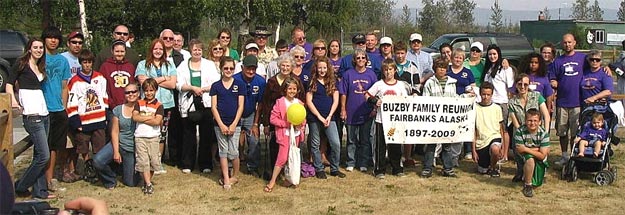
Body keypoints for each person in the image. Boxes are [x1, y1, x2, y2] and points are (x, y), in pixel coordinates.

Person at [8, 38, 54, 199]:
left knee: (38, 155)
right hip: (31, 115)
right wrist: (13, 101)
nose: (39, 50)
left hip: (44, 113)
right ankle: (20, 185)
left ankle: (40, 192)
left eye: (41, 47)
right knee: (44, 156)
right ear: (29, 49)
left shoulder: (39, 66)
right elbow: (9, 83)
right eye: (35, 47)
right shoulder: (22, 64)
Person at [421, 57, 472, 178]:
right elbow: (425, 100)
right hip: (433, 119)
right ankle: (427, 168)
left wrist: (466, 97)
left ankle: (447, 168)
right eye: (439, 68)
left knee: (447, 145)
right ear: (435, 69)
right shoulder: (429, 82)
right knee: (431, 144)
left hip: (447, 120)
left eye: (444, 68)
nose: (442, 70)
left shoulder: (452, 82)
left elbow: (454, 99)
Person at [176, 39, 221, 173]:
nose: (197, 52)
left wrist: (203, 89)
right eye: (195, 49)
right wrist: (192, 88)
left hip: (206, 102)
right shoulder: (183, 66)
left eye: (199, 49)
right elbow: (178, 84)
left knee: (206, 134)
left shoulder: (210, 65)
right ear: (190, 50)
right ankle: (187, 164)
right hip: (189, 103)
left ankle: (205, 164)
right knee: (189, 134)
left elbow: (216, 82)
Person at [135, 39, 178, 174]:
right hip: (148, 105)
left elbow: (173, 84)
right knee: (148, 131)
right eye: (155, 49)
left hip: (167, 104)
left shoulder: (169, 64)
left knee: (162, 133)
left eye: (160, 49)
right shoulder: (143, 64)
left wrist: (153, 81)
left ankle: (157, 162)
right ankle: (146, 160)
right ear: (151, 50)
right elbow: (144, 83)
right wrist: (164, 78)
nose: (158, 51)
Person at [259, 54, 305, 172]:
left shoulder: (296, 81)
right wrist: (266, 124)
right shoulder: (271, 81)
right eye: (283, 65)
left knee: (292, 147)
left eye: (288, 66)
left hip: (293, 120)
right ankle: (276, 171)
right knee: (275, 146)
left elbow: (302, 101)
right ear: (279, 66)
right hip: (276, 119)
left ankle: (290, 171)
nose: (285, 68)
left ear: (292, 66)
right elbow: (266, 102)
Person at [366, 59, 410, 179]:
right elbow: (367, 95)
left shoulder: (400, 85)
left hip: (396, 120)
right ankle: (379, 170)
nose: (388, 72)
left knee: (395, 145)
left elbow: (406, 100)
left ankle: (397, 168)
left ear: (395, 70)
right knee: (380, 146)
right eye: (386, 70)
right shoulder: (379, 84)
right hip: (381, 119)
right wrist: (375, 100)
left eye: (390, 69)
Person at [549, 34, 588, 166]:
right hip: (562, 103)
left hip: (577, 102)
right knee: (562, 132)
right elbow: (552, 77)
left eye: (570, 42)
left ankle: (574, 155)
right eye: (565, 43)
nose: (567, 45)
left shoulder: (583, 59)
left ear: (574, 43)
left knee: (575, 133)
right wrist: (553, 82)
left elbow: (596, 66)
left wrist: (606, 68)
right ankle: (565, 155)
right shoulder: (558, 61)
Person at [92, 84, 140, 189]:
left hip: (133, 149)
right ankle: (110, 180)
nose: (131, 94)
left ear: (138, 93)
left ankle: (128, 170)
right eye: (127, 92)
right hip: (119, 143)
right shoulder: (118, 110)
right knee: (97, 161)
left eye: (133, 92)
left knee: (130, 183)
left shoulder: (144, 108)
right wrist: (116, 152)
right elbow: (114, 132)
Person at [41, 26, 71, 192]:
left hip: (58, 108)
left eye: (56, 38)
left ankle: (50, 179)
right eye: (49, 37)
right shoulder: (38, 57)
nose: (53, 40)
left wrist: (64, 107)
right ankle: (40, 180)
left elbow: (64, 86)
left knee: (54, 146)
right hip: (41, 109)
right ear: (44, 39)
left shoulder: (62, 60)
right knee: (42, 147)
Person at [265, 77, 307, 192]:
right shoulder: (280, 102)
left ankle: (290, 179)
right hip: (284, 134)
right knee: (282, 158)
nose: (292, 91)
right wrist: (286, 124)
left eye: (294, 89)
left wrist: (301, 125)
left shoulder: (299, 103)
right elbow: (273, 119)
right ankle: (272, 181)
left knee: (292, 157)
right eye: (289, 89)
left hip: (296, 135)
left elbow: (303, 118)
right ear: (285, 90)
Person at [306, 57, 345, 179]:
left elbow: (336, 100)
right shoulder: (312, 82)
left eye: (324, 68)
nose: (322, 70)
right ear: (316, 69)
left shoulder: (332, 82)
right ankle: (319, 168)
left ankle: (334, 168)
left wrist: (328, 116)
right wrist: (319, 117)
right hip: (315, 117)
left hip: (330, 118)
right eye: (320, 68)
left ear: (328, 68)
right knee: (315, 144)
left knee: (335, 143)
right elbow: (309, 101)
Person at [339, 49, 377, 172]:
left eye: (363, 58)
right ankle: (351, 161)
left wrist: (374, 109)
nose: (360, 60)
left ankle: (363, 162)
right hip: (351, 112)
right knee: (351, 140)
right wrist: (343, 109)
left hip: (367, 112)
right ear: (354, 60)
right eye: (358, 58)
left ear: (366, 60)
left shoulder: (371, 75)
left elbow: (375, 94)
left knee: (365, 139)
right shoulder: (348, 74)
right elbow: (343, 93)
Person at [210, 56, 246, 189]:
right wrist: (221, 124)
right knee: (223, 151)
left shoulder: (239, 85)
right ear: (221, 68)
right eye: (226, 68)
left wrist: (233, 124)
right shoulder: (216, 86)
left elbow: (240, 106)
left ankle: (235, 176)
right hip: (219, 124)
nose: (228, 70)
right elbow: (213, 107)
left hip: (234, 124)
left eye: (231, 68)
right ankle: (226, 178)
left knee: (234, 151)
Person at [508, 73, 551, 182]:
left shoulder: (537, 96)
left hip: (537, 133)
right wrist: (521, 136)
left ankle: (539, 172)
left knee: (539, 154)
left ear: (529, 85)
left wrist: (545, 134)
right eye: (520, 84)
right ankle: (520, 171)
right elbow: (516, 123)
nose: (522, 87)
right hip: (521, 134)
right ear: (516, 85)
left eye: (525, 84)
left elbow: (546, 115)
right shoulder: (512, 102)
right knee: (520, 156)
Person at [67, 50, 108, 162]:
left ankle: (98, 168)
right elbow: (71, 103)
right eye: (85, 62)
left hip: (99, 119)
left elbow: (104, 97)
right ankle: (88, 166)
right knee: (83, 148)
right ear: (80, 63)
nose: (87, 65)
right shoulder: (74, 81)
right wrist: (75, 122)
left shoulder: (100, 78)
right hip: (83, 121)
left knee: (99, 147)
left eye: (89, 62)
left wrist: (106, 116)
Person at [233, 55, 266, 177]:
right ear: (242, 67)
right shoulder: (234, 79)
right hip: (235, 114)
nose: (251, 71)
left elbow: (260, 104)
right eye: (248, 68)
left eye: (253, 69)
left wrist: (256, 124)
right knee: (232, 140)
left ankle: (252, 166)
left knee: (254, 140)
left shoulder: (261, 81)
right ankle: (231, 166)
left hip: (251, 114)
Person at [59, 31, 84, 183]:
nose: (77, 45)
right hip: (66, 103)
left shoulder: (84, 59)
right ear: (68, 43)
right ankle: (63, 169)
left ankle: (73, 169)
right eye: (74, 42)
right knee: (65, 140)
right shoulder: (62, 59)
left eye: (79, 42)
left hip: (80, 105)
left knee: (76, 138)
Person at [132, 78, 164, 194]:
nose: (149, 93)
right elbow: (135, 117)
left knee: (153, 162)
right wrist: (150, 117)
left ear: (156, 90)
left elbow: (157, 122)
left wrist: (143, 118)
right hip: (140, 137)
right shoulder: (138, 103)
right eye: (146, 91)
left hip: (154, 137)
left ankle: (147, 181)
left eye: (151, 90)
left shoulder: (159, 106)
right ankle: (149, 184)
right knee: (143, 161)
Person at [482, 44, 514, 162]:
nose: (492, 56)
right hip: (490, 103)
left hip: (501, 103)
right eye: (490, 54)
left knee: (503, 129)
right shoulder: (488, 69)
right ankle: (495, 152)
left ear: (499, 55)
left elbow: (510, 86)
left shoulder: (505, 69)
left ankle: (505, 154)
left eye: (494, 54)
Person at [447, 48, 476, 161]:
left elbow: (473, 88)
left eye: (460, 58)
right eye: (456, 57)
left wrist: (471, 92)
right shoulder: (447, 70)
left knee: (461, 128)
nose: (458, 60)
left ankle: (460, 153)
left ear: (463, 59)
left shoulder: (467, 72)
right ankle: (446, 153)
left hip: (462, 106)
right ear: (451, 58)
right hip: (448, 104)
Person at [514, 109, 550, 197]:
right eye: (530, 120)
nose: (532, 123)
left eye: (535, 121)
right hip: (524, 157)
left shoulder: (544, 134)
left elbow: (542, 156)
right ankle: (528, 185)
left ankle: (532, 174)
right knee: (530, 159)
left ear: (540, 122)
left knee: (538, 183)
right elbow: (519, 150)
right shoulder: (519, 131)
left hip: (539, 159)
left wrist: (526, 149)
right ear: (525, 121)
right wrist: (537, 149)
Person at [472, 82, 504, 177]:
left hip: (494, 137)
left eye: (488, 95)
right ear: (480, 94)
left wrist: (503, 148)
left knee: (495, 149)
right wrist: (473, 150)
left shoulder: (497, 108)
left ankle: (493, 167)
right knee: (482, 170)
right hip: (481, 142)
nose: (486, 97)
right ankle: (486, 165)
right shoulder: (475, 108)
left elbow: (501, 129)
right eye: (483, 94)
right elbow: (473, 131)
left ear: (492, 95)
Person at [99, 40, 136, 111]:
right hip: (111, 106)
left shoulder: (130, 66)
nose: (119, 54)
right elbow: (102, 88)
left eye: (122, 51)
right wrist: (111, 104)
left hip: (129, 105)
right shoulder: (105, 67)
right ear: (112, 51)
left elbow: (133, 86)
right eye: (117, 51)